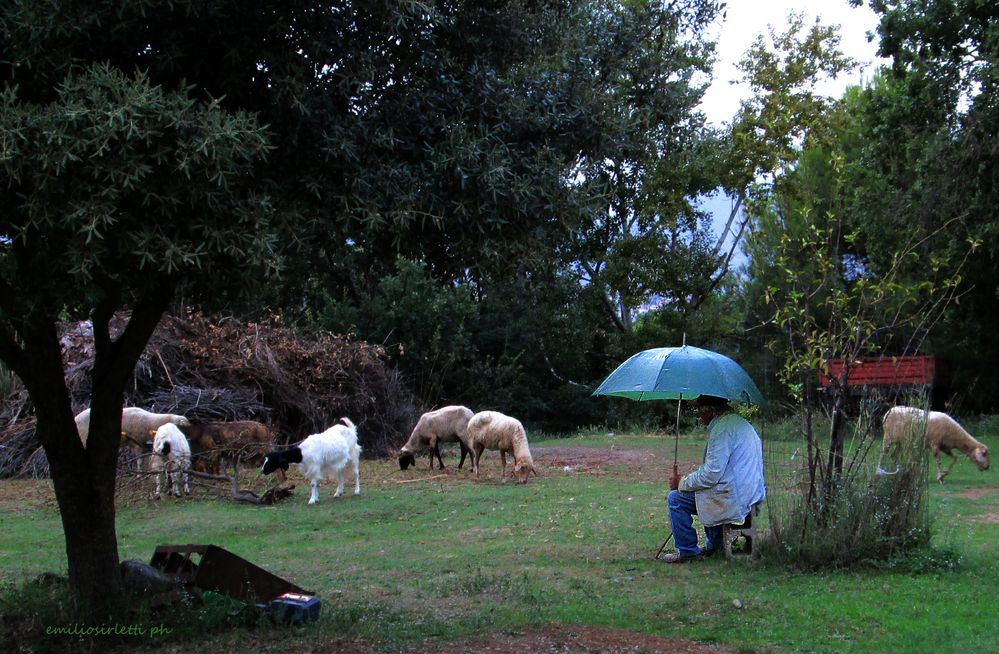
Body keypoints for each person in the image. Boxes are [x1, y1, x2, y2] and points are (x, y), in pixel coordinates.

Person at [660, 394, 765, 563]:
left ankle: (688, 552)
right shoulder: (739, 423)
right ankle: (714, 546)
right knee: (706, 491)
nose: (698, 415)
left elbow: (711, 474)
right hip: (749, 492)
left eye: (700, 410)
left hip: (736, 495)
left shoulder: (723, 429)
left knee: (676, 499)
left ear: (710, 411)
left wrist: (681, 483)